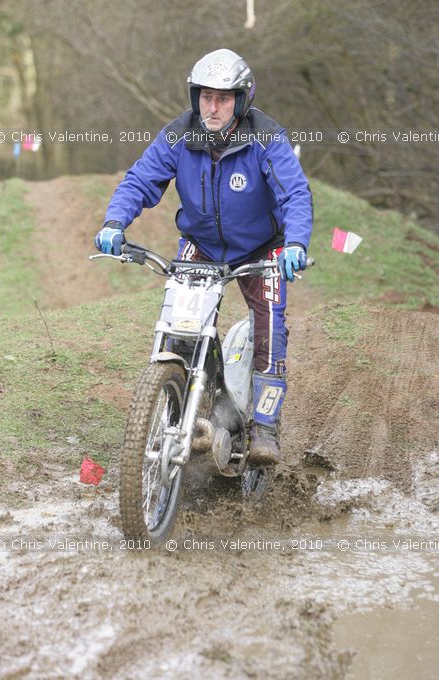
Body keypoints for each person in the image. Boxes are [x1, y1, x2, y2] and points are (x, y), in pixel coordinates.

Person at [95, 48, 313, 465]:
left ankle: (265, 426)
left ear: (242, 100)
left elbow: (295, 194)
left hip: (261, 248)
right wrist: (114, 223)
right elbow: (141, 179)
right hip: (202, 244)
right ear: (195, 96)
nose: (212, 108)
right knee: (181, 327)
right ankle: (188, 413)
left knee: (269, 323)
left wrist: (297, 244)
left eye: (224, 98)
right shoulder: (179, 134)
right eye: (205, 97)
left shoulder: (266, 137)